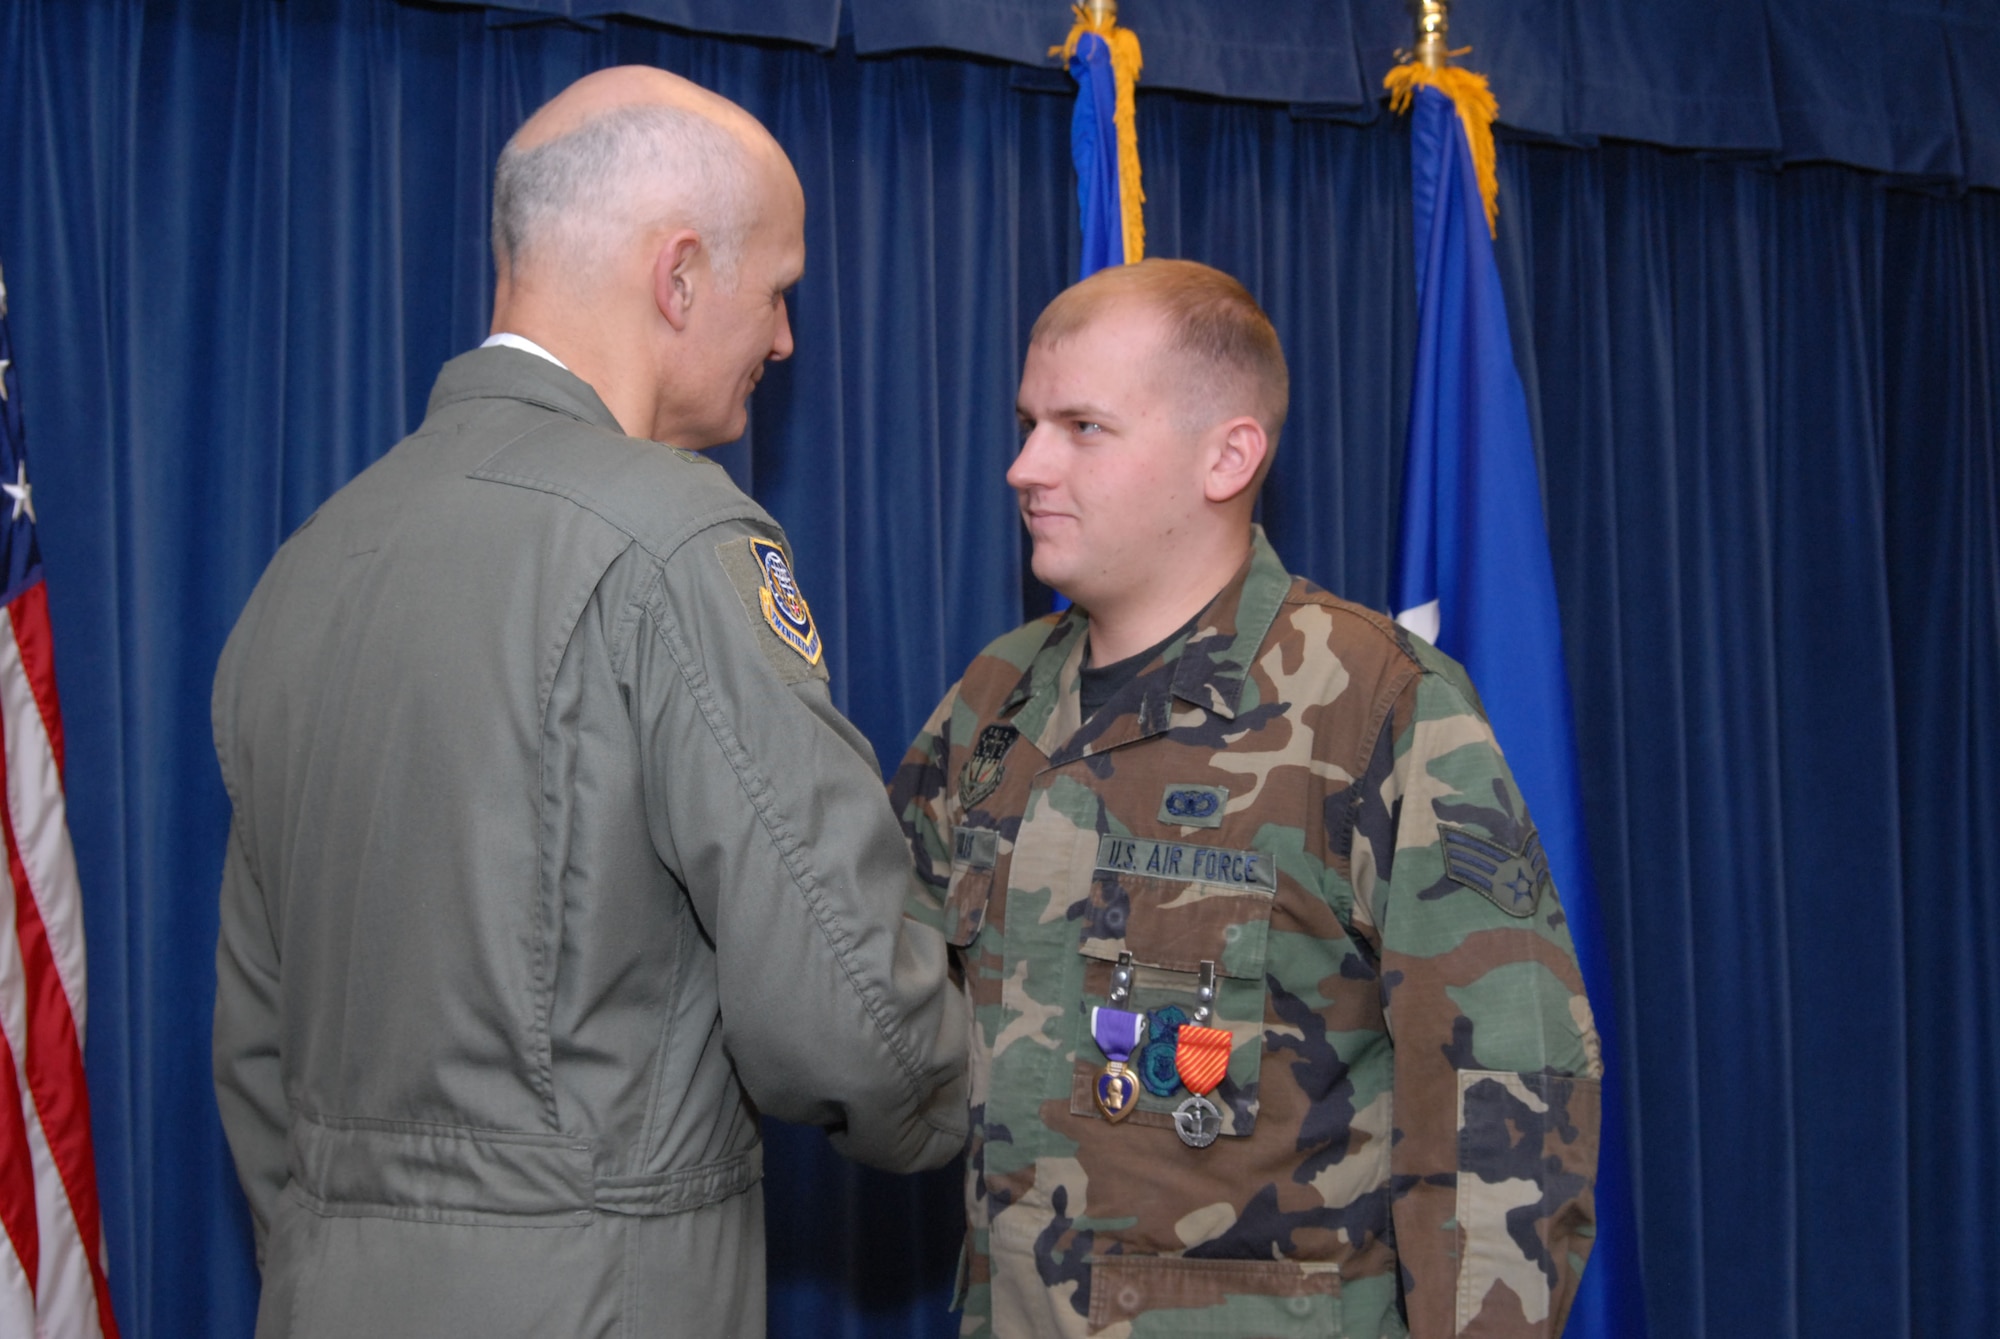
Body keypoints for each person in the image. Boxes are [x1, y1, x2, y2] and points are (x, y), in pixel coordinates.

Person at [212, 66, 966, 1339]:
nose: (784, 339)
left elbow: (254, 1053)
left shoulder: (309, 564)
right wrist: (968, 1085)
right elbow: (844, 1016)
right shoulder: (674, 538)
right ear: (679, 277)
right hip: (599, 1295)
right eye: (775, 289)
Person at [891, 259, 1601, 1338]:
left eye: (1081, 427)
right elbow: (884, 987)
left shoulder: (1371, 704)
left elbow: (1501, 1093)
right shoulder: (997, 700)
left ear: (1226, 456)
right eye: (1029, 421)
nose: (1022, 465)